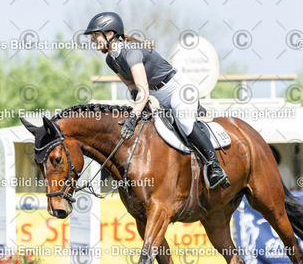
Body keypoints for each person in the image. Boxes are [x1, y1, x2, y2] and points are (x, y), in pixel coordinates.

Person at [83, 12, 229, 189]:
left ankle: (215, 167)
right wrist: (138, 104)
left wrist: (133, 116)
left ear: (110, 34)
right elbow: (131, 85)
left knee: (184, 122)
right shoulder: (111, 59)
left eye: (95, 35)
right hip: (157, 95)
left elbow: (143, 89)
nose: (92, 40)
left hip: (177, 89)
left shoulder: (131, 52)